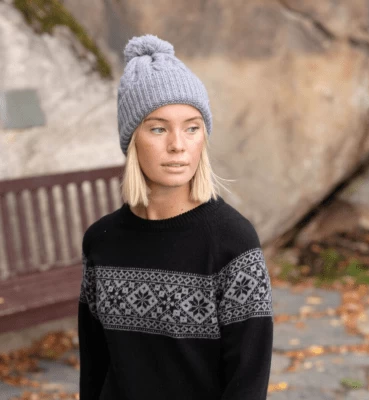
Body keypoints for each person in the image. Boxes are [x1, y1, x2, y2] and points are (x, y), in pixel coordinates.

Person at [78, 34, 273, 400]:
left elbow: (247, 381)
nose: (178, 145)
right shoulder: (102, 241)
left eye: (192, 127)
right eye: (158, 128)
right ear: (132, 139)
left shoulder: (233, 242)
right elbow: (94, 365)